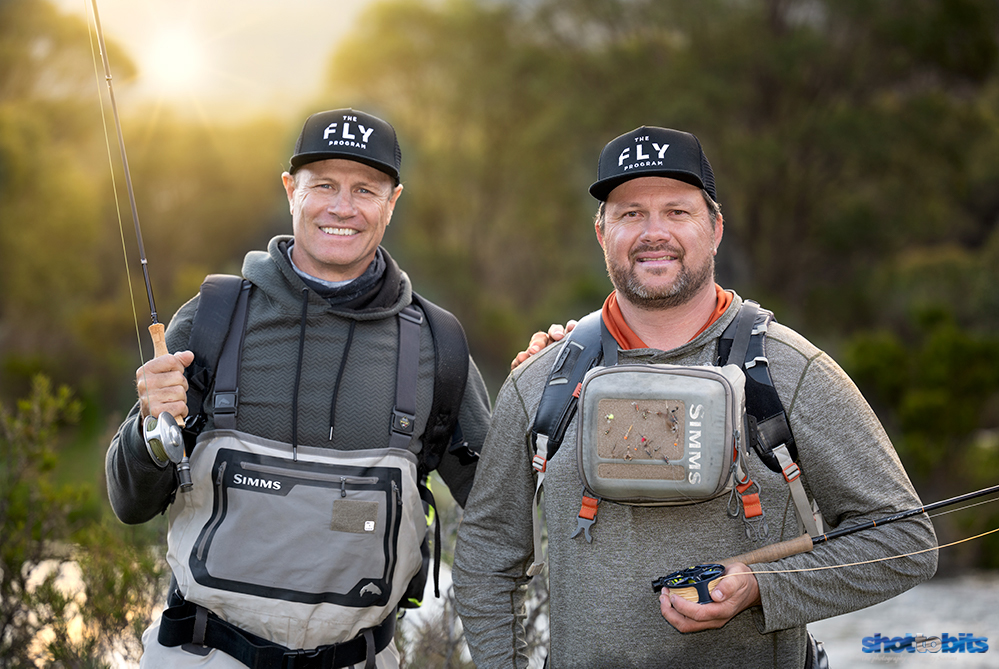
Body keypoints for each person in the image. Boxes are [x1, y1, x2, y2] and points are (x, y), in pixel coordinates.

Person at [452, 125, 937, 668]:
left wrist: (763, 586)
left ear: (715, 228)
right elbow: (486, 555)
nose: (653, 232)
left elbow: (905, 543)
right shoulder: (541, 380)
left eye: (677, 212)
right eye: (630, 213)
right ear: (601, 232)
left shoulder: (790, 372)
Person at [106, 108, 492, 668]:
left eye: (365, 189)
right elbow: (128, 502)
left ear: (393, 201)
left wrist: (550, 400)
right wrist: (148, 430)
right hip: (202, 654)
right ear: (291, 191)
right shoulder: (212, 319)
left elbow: (499, 508)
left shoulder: (439, 344)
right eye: (324, 185)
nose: (342, 207)